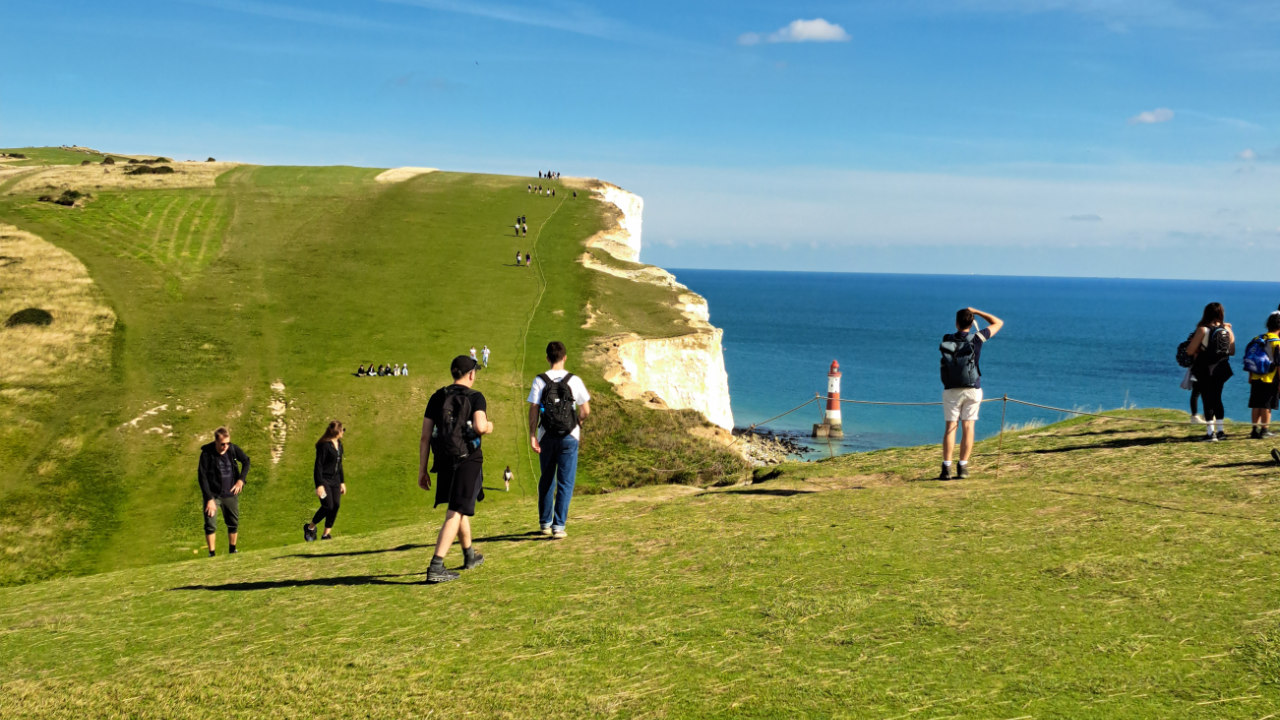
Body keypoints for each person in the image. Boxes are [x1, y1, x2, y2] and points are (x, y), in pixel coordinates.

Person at [419, 356, 493, 583]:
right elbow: (480, 426)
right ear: (471, 374)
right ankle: (436, 565)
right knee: (456, 511)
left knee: (458, 506)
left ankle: (469, 555)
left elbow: (424, 437)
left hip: (443, 458)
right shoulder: (476, 397)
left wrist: (422, 470)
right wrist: (489, 427)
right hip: (467, 459)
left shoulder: (437, 396)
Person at [527, 341, 591, 538]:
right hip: (569, 435)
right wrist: (577, 422)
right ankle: (559, 526)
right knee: (565, 481)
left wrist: (531, 435)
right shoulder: (574, 380)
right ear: (565, 357)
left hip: (546, 435)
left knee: (546, 479)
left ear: (547, 358)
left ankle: (545, 523)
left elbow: (534, 410)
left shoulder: (540, 380)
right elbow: (585, 410)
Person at [938, 307, 1004, 480]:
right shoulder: (977, 338)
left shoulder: (947, 338)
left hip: (951, 389)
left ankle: (946, 468)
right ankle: (963, 467)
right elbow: (998, 323)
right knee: (968, 427)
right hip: (972, 388)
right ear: (971, 322)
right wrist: (978, 312)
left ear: (956, 322)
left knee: (951, 428)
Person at [196, 427, 250, 556]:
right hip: (213, 495)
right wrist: (209, 498)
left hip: (230, 493)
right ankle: (212, 554)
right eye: (222, 444)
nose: (225, 446)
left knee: (233, 522)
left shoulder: (232, 449)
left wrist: (241, 480)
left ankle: (232, 550)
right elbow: (202, 476)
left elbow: (246, 461)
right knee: (210, 524)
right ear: (216, 442)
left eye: (227, 443)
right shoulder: (207, 454)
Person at [1187, 302, 1235, 441]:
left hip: (1205, 369)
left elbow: (1190, 350)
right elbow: (1232, 351)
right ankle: (1221, 431)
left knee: (1207, 399)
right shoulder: (1226, 330)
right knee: (1217, 398)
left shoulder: (1203, 329)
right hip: (1221, 369)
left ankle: (1210, 433)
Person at [304, 421, 346, 541]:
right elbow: (318, 466)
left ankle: (325, 534)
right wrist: (319, 485)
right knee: (328, 506)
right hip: (324, 480)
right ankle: (310, 528)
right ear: (337, 432)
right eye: (342, 430)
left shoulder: (339, 444)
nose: (343, 432)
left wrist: (342, 482)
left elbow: (339, 464)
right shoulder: (324, 446)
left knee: (336, 505)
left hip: (336, 480)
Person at [1246, 313, 1280, 438]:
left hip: (1255, 376)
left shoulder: (1258, 338)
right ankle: (1265, 430)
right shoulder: (1277, 342)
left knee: (1256, 403)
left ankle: (1254, 430)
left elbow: (1250, 357)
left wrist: (1250, 375)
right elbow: (1278, 364)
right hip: (1270, 378)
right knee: (1267, 405)